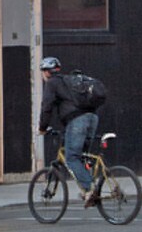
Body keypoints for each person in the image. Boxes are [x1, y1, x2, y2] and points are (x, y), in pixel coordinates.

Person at [38, 56, 99, 204]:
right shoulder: (69, 81)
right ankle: (88, 188)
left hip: (77, 121)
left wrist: (42, 128)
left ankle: (90, 190)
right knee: (82, 157)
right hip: (92, 118)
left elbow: (47, 107)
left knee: (71, 158)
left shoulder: (52, 83)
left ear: (46, 72)